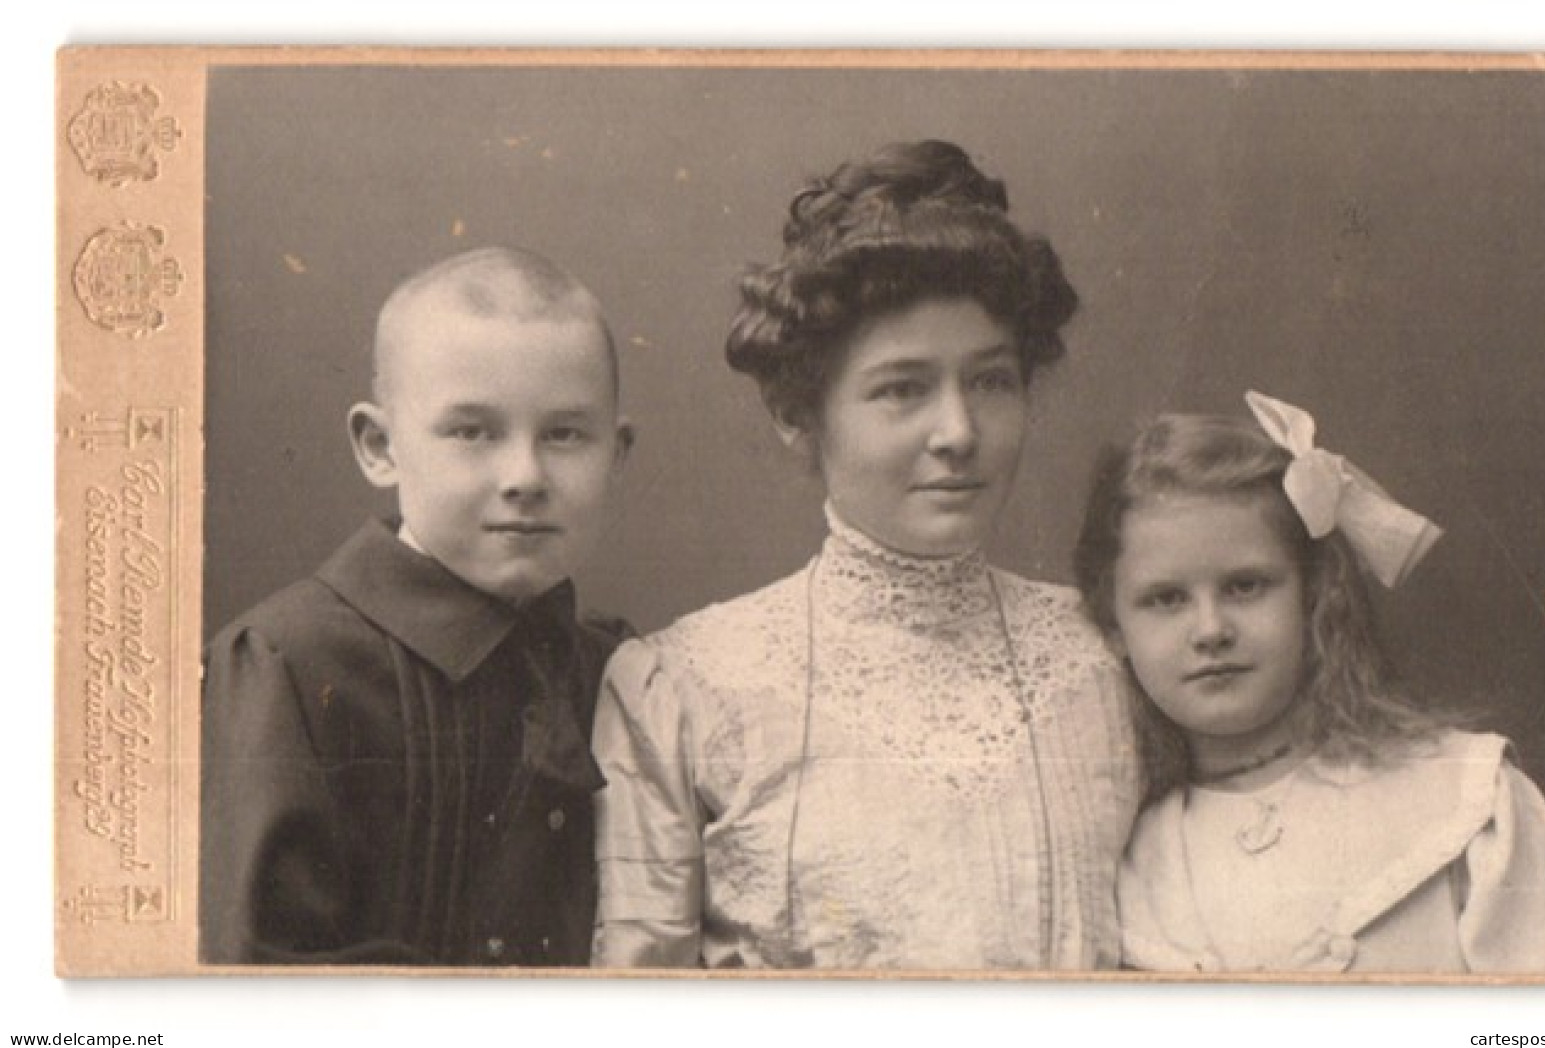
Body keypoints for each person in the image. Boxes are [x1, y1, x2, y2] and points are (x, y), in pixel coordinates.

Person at [591, 139, 1141, 970]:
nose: (957, 433)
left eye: (991, 381)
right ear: (797, 412)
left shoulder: (1111, 654)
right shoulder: (685, 688)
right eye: (901, 390)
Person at [200, 246, 634, 965]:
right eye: (472, 432)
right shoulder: (290, 663)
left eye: (563, 434)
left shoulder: (613, 669)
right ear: (379, 447)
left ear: (616, 454)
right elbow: (258, 978)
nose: (524, 476)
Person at [1073, 391, 1545, 974]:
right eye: (1166, 599)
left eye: (1246, 586)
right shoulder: (1121, 866)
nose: (1210, 630)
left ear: (1314, 593)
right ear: (1114, 628)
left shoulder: (1467, 797)